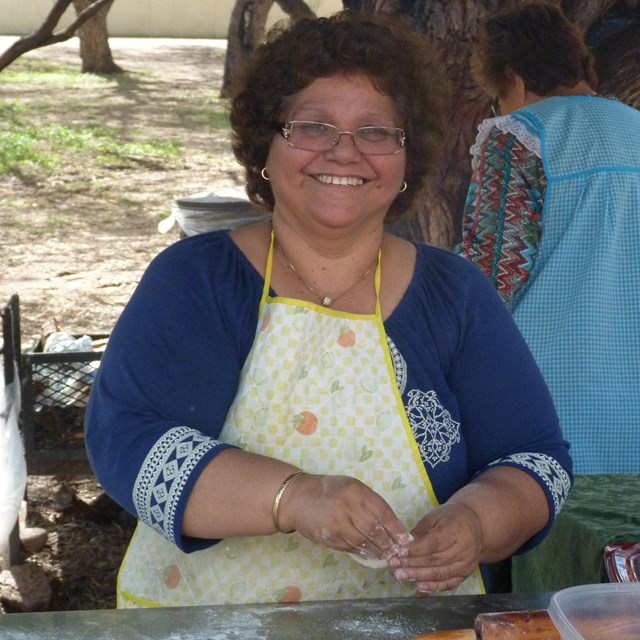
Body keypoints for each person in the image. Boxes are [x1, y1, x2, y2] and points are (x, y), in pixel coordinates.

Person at [85, 10, 572, 608]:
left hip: (417, 623)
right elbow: (127, 442)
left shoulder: (456, 295)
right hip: (202, 621)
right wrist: (291, 497)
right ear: (265, 145)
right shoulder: (196, 281)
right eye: (313, 126)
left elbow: (534, 461)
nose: (344, 152)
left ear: (404, 160)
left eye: (375, 131)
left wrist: (474, 522)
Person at [456, 0, 640, 475]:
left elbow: (489, 278)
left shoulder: (520, 137)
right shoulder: (635, 129)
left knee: (543, 540)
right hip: (630, 395)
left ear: (512, 77)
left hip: (547, 390)